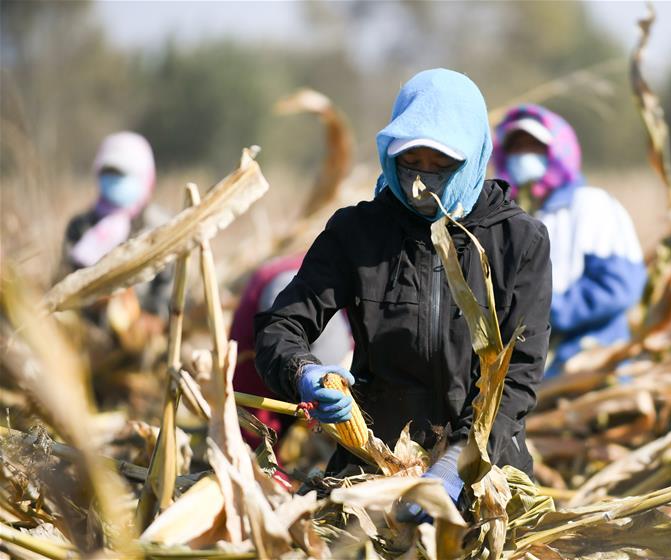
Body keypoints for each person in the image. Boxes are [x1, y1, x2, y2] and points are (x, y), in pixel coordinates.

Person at [254, 69, 552, 511]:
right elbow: (281, 327)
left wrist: (456, 466)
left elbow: (518, 377)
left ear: (473, 157)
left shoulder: (520, 241)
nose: (421, 181)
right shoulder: (357, 233)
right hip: (375, 465)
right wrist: (303, 373)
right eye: (411, 161)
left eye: (441, 166)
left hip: (485, 475)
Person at [492, 105, 647, 377]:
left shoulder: (592, 206)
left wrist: (543, 313)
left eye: (534, 146)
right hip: (530, 374)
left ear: (557, 151)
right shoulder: (506, 217)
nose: (523, 155)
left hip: (590, 367)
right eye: (516, 147)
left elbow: (620, 286)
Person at [230, 254, 353, 450]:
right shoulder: (280, 296)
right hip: (260, 367)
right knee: (257, 444)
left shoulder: (345, 280)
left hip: (313, 357)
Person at [61, 131, 171, 319]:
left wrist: (148, 318)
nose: (114, 180)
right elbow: (66, 282)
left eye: (122, 174)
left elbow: (168, 291)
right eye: (108, 172)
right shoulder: (81, 226)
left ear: (145, 176)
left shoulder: (161, 226)